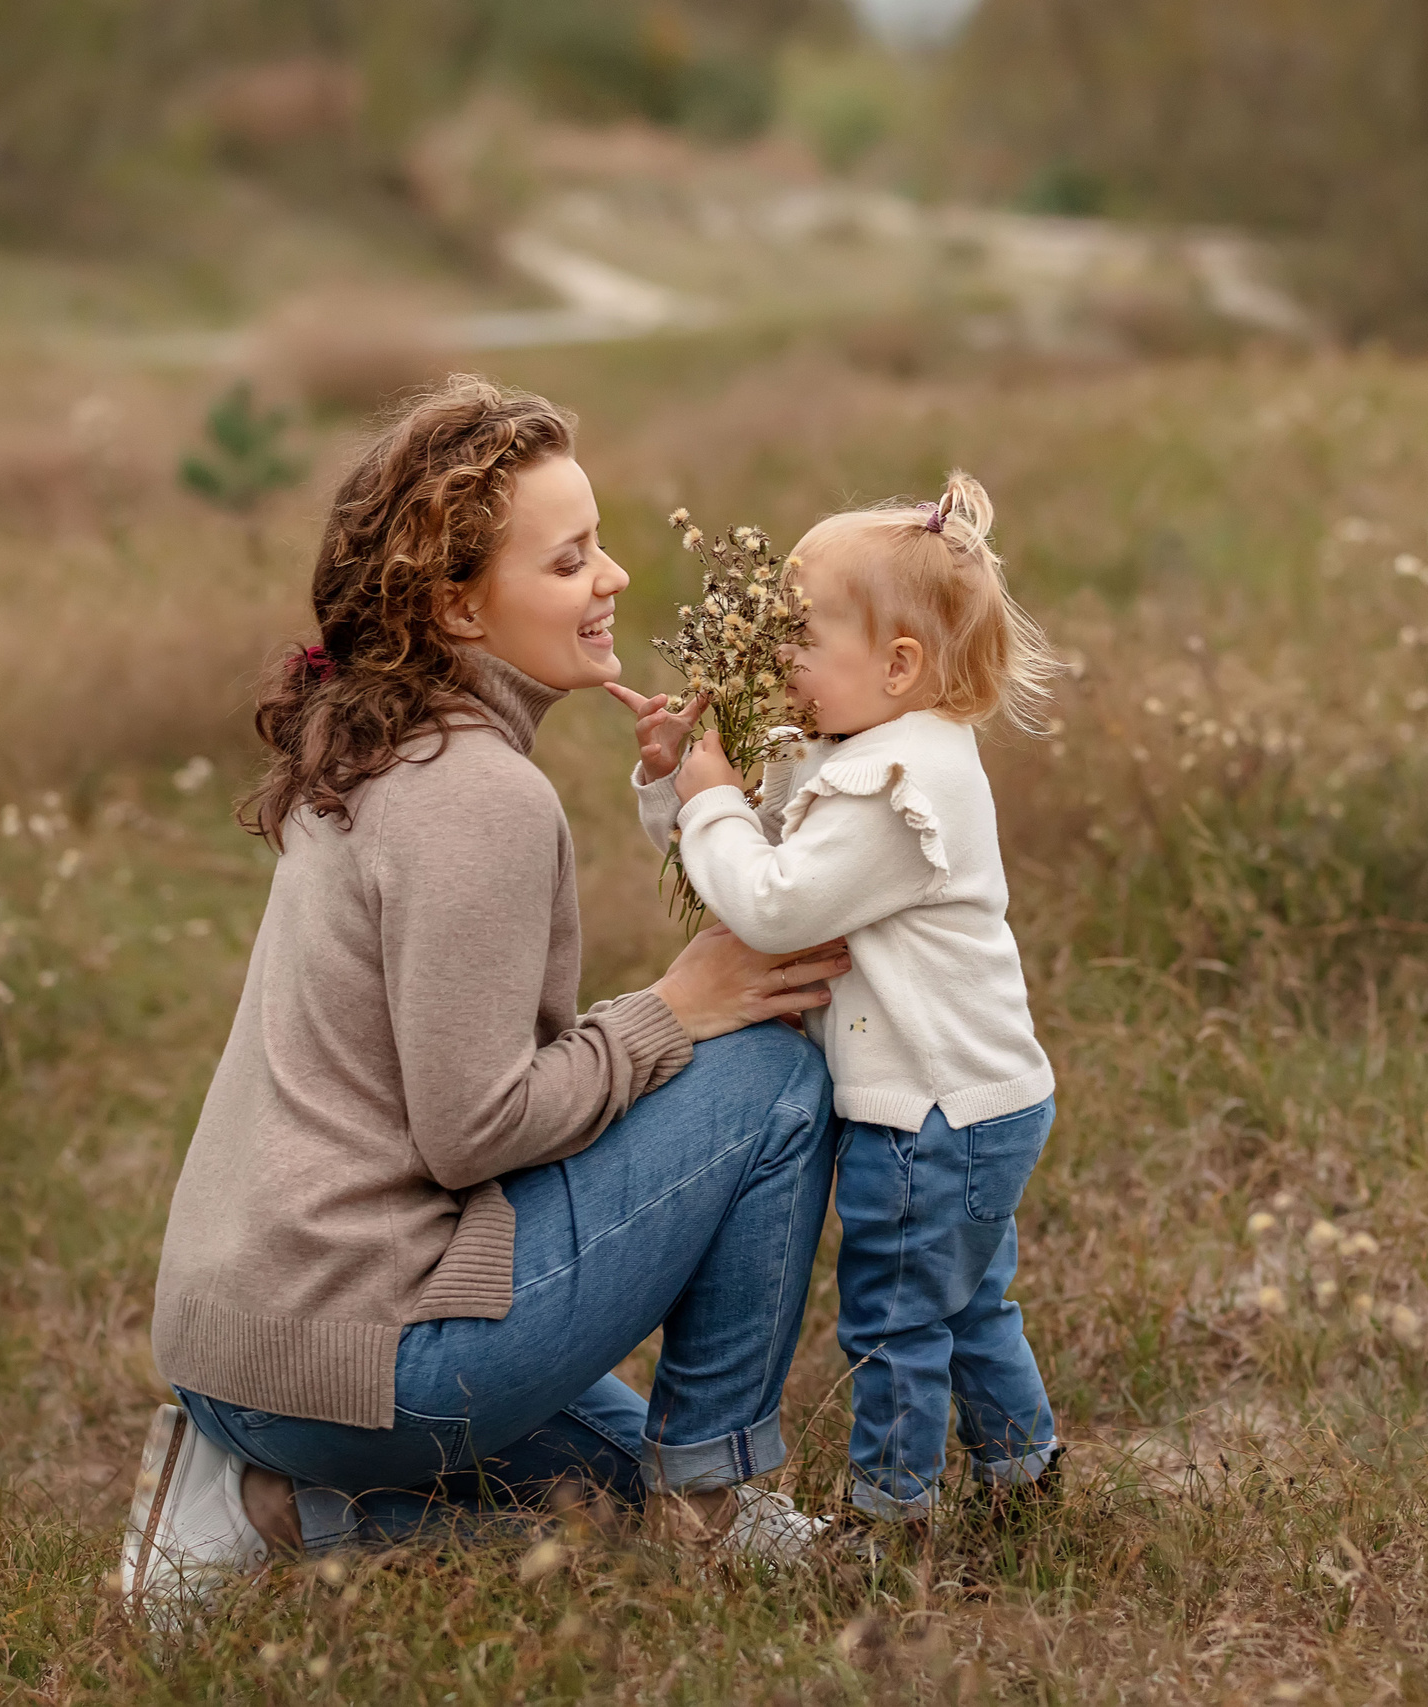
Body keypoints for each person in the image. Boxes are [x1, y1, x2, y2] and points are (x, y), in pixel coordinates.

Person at [122, 376, 850, 1623]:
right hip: (364, 1355)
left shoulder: (379, 743)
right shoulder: (478, 797)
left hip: (248, 1347)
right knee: (773, 1073)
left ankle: (268, 1500)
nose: (613, 577)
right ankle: (718, 1506)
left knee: (612, 1497)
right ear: (458, 603)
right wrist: (673, 1009)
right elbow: (473, 1129)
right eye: (569, 561)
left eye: (600, 545)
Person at [619, 472, 1065, 1537]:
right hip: (974, 1097)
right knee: (962, 1305)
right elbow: (751, 855)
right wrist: (674, 786)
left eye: (798, 636)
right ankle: (1024, 1478)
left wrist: (714, 801)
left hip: (930, 1116)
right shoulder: (861, 749)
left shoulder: (897, 780)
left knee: (894, 1320)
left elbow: (771, 904)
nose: (774, 656)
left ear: (898, 663)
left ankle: (891, 1521)